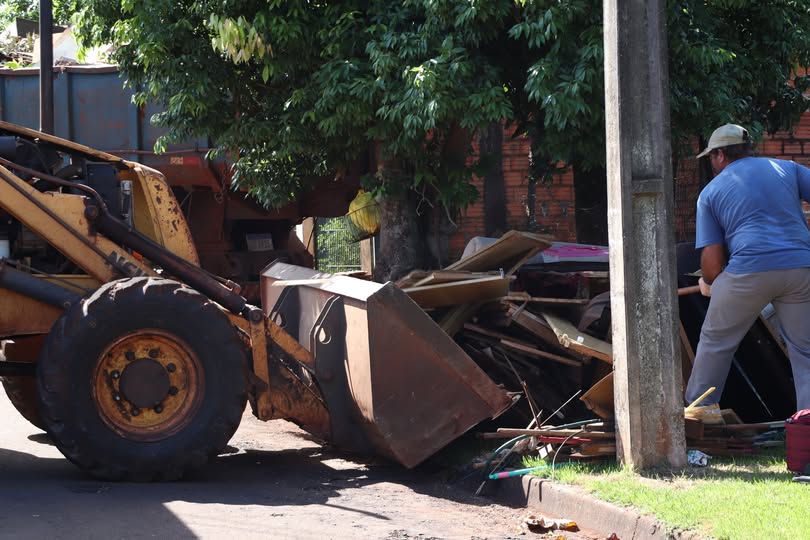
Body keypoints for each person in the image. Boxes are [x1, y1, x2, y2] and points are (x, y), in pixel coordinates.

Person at [685, 123, 810, 416]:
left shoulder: (711, 192)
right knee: (805, 351)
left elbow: (712, 262)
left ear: (719, 155)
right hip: (799, 269)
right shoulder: (787, 169)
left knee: (716, 343)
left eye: (711, 157)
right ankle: (807, 424)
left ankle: (698, 414)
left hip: (748, 271)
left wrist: (709, 282)